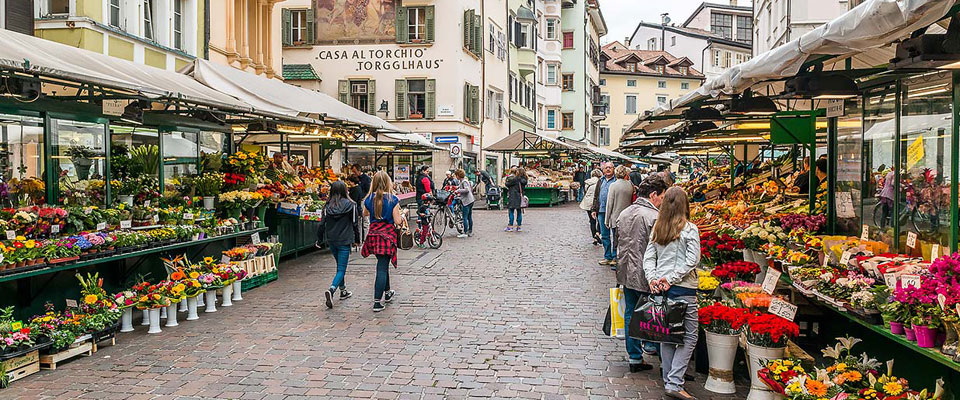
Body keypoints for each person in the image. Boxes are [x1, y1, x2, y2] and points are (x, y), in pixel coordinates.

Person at [642, 186, 701, 400]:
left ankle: (670, 380)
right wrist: (671, 278)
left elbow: (649, 258)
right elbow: (692, 260)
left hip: (661, 289)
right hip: (683, 288)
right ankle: (675, 383)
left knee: (666, 336)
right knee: (689, 336)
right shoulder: (689, 228)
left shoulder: (659, 227)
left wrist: (653, 278)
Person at [615, 174, 669, 373]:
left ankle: (635, 357)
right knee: (657, 315)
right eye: (662, 197)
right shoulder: (653, 217)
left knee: (631, 313)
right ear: (654, 195)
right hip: (647, 274)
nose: (662, 202)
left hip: (626, 271)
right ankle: (664, 360)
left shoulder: (626, 212)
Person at [361, 171, 407, 313]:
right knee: (381, 267)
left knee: (383, 263)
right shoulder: (392, 199)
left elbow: (365, 214)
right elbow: (398, 221)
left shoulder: (369, 199)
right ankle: (376, 302)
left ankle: (387, 292)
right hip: (387, 235)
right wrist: (403, 214)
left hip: (374, 235)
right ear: (388, 182)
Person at [320, 181, 361, 309]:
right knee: (342, 268)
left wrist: (318, 238)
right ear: (345, 190)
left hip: (332, 239)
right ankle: (332, 289)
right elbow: (355, 223)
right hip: (344, 239)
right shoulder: (351, 205)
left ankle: (343, 290)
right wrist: (357, 239)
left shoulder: (327, 206)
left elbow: (322, 224)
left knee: (339, 266)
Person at [604, 165, 635, 270]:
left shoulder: (613, 185)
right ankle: (623, 259)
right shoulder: (630, 185)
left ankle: (615, 259)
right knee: (625, 240)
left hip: (616, 217)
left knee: (616, 239)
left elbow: (609, 204)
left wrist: (606, 219)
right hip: (628, 217)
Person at [591, 162, 617, 266]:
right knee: (605, 235)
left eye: (610, 167)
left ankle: (615, 257)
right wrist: (594, 209)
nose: (608, 169)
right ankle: (607, 257)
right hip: (601, 211)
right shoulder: (600, 181)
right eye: (606, 168)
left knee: (615, 235)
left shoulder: (617, 180)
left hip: (614, 211)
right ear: (603, 170)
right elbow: (596, 196)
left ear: (613, 169)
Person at [580, 169, 602, 245]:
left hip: (589, 203)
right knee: (600, 220)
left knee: (592, 221)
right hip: (598, 203)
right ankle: (598, 233)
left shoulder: (588, 182)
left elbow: (585, 191)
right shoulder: (601, 181)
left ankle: (594, 238)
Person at [504, 167, 528, 232]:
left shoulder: (515, 179)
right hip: (520, 197)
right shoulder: (525, 179)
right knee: (519, 212)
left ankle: (510, 226)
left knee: (511, 211)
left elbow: (507, 184)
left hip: (513, 196)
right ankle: (519, 226)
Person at [455, 169, 475, 238]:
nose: (455, 177)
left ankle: (465, 232)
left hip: (467, 201)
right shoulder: (463, 181)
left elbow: (466, 190)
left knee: (465, 217)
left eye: (456, 175)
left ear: (458, 175)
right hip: (470, 200)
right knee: (469, 216)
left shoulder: (464, 181)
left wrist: (458, 190)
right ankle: (470, 231)